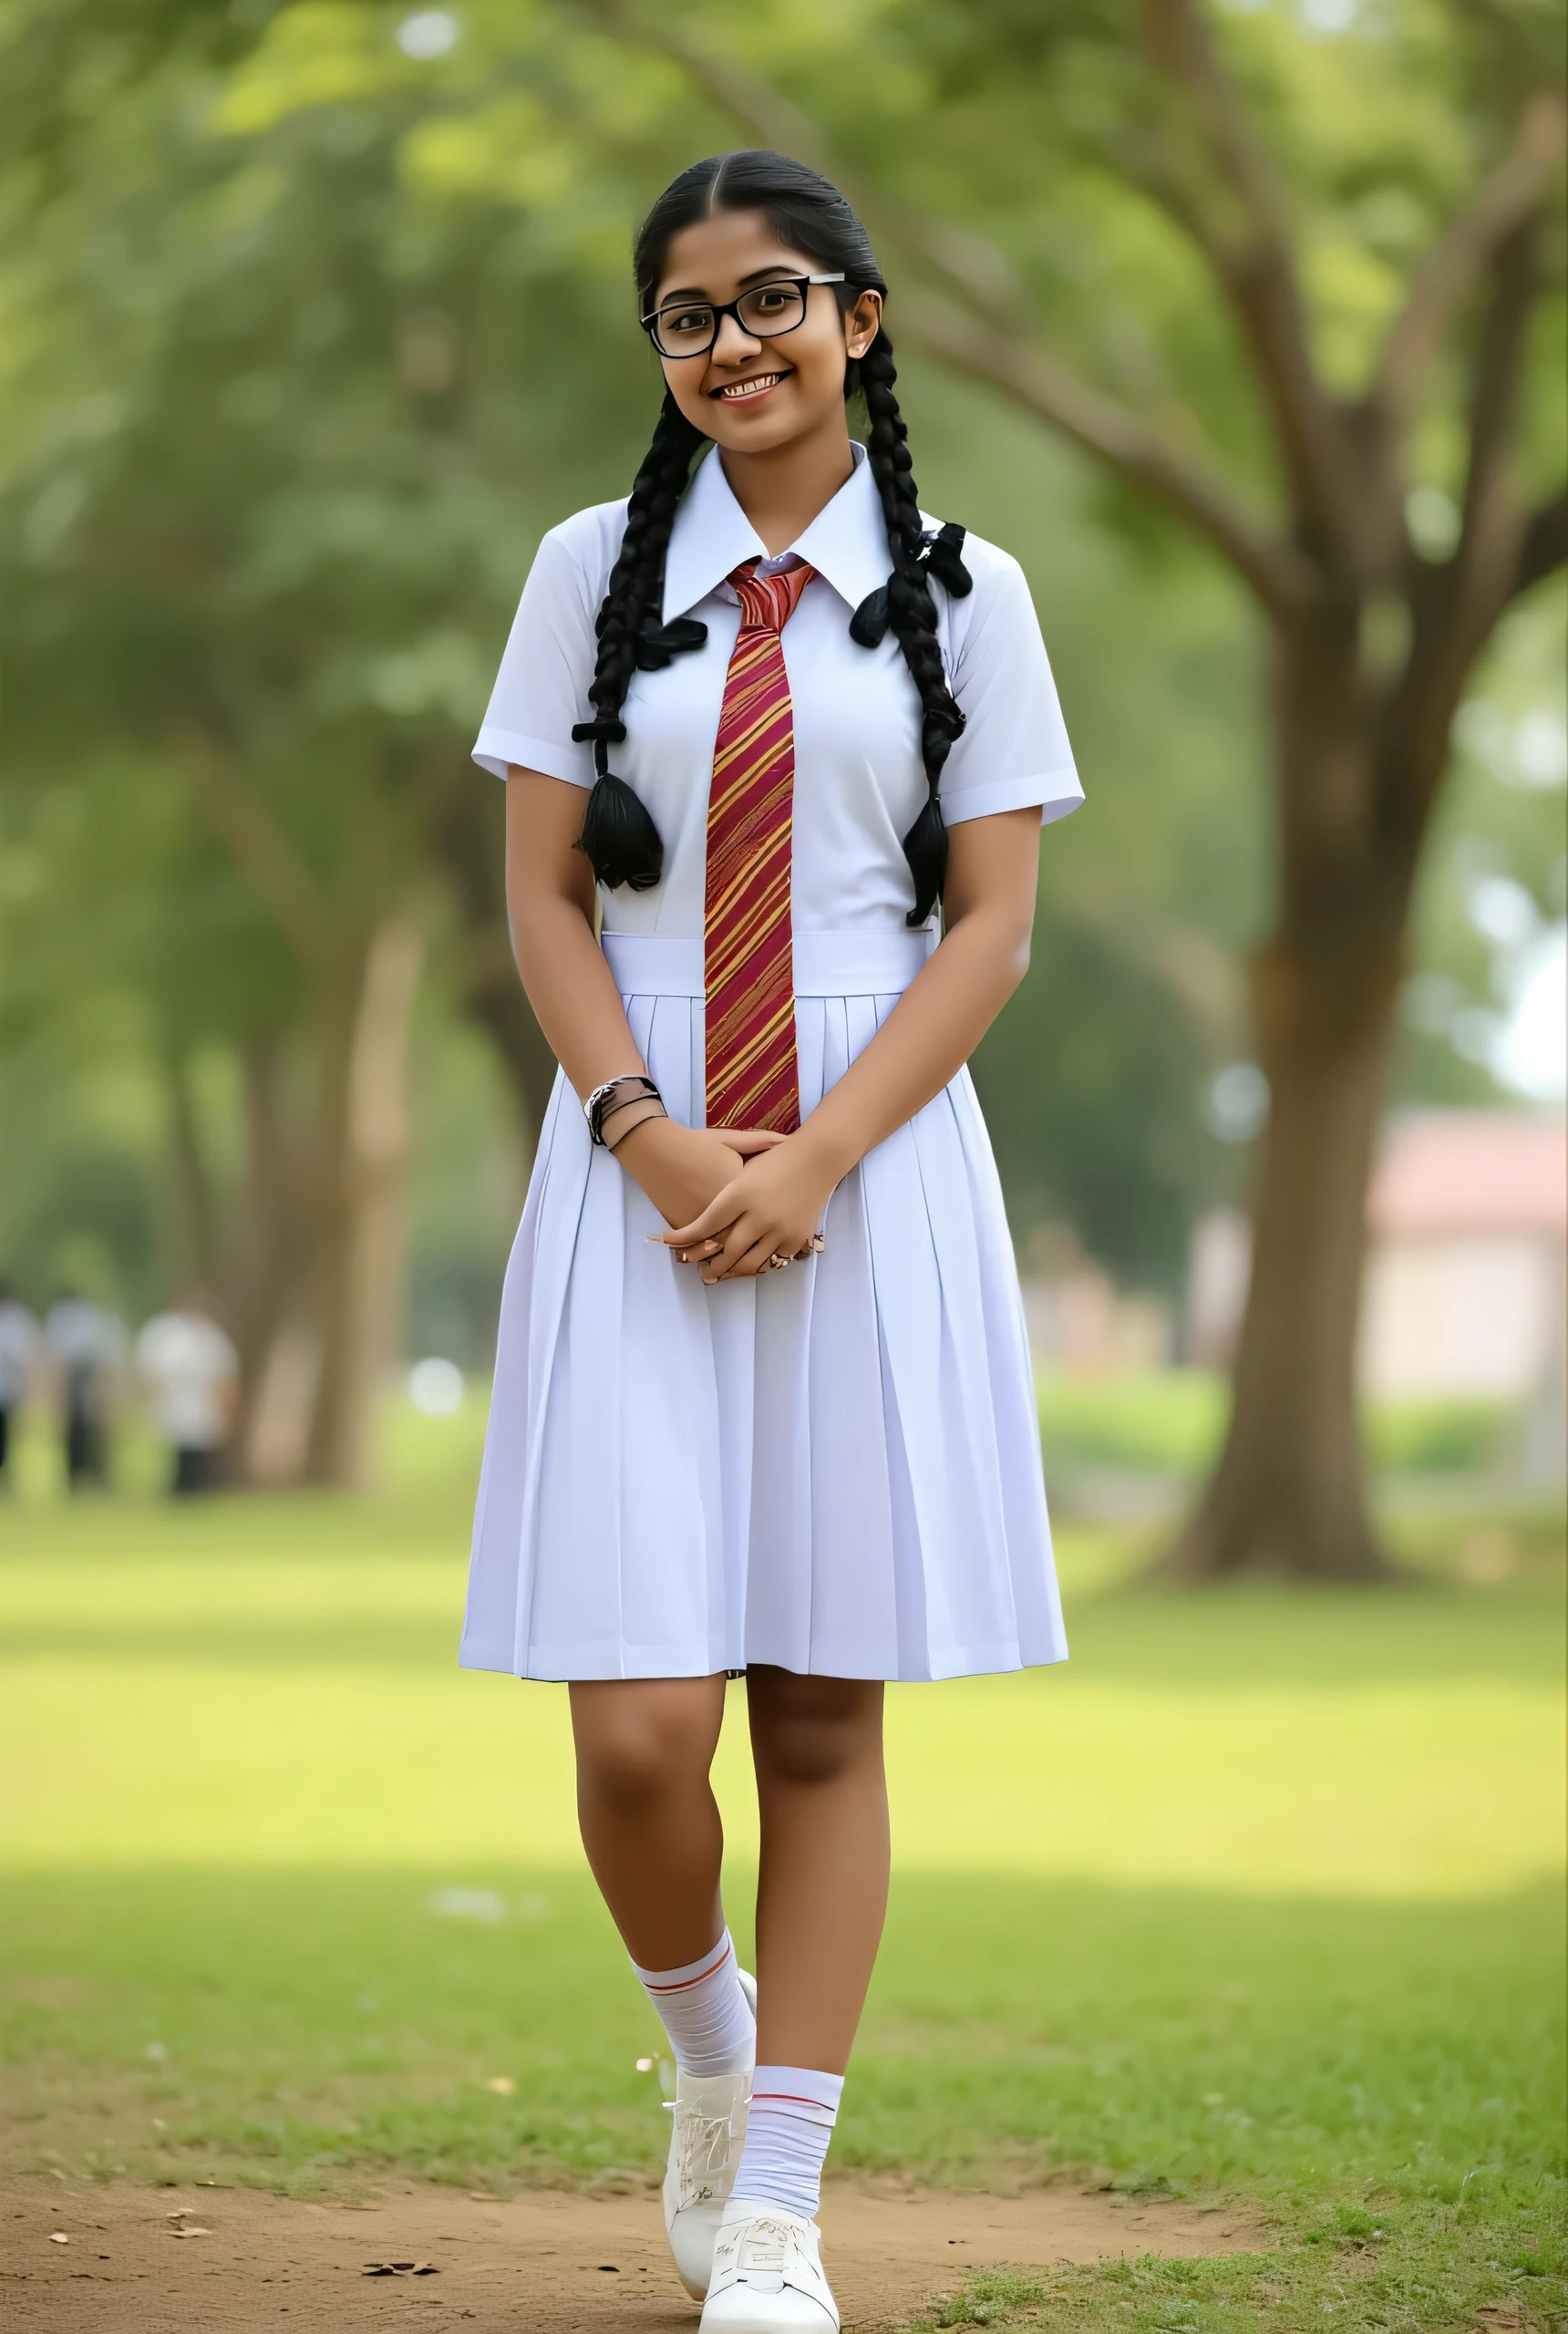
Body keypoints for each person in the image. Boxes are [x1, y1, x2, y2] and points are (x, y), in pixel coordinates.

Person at [461, 151, 1081, 2332]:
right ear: (658, 347)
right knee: (637, 1729)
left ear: (858, 318)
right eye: (687, 313)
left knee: (820, 1711)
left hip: (868, 1157)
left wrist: (813, 1158)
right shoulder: (586, 570)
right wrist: (643, 1133)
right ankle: (711, 2063)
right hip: (628, 1157)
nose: (731, 341)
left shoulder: (967, 591)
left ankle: (780, 2210)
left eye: (772, 298)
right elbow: (542, 892)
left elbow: (988, 922)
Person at [135, 1293, 238, 1494]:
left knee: (198, 1449)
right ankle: (180, 1486)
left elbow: (223, 1377)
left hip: (202, 1404)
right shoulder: (170, 1339)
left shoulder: (213, 1339)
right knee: (178, 1447)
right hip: (176, 1403)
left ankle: (197, 1486)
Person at [43, 1289, 125, 1491]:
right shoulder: (69, 1318)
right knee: (76, 1427)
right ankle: (77, 1473)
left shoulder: (90, 1320)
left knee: (97, 1428)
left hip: (90, 1376)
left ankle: (96, 1473)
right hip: (75, 1376)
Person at [0, 1278, 40, 1489]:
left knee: (6, 1433)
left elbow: (24, 1353)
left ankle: (6, 1470)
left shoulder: (16, 1318)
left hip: (7, 1387)